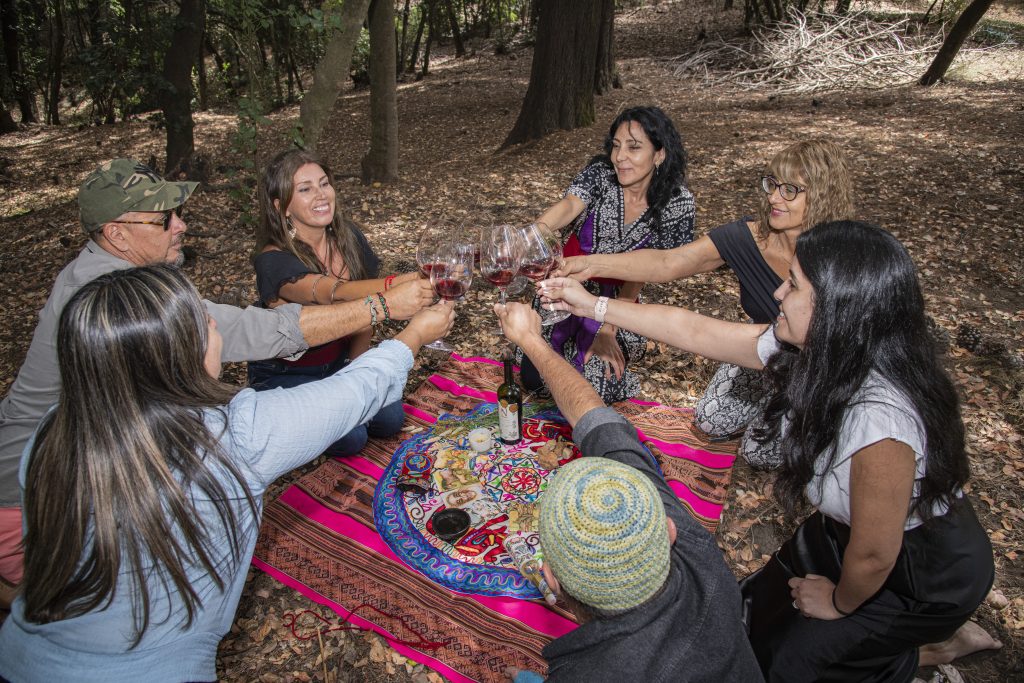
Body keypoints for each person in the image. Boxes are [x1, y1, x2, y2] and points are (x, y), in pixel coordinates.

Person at [538, 220, 999, 681]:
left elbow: (877, 553)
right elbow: (695, 330)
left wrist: (840, 602)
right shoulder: (821, 350)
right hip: (844, 536)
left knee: (796, 666)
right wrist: (592, 304)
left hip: (917, 573)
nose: (778, 293)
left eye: (794, 285)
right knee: (755, 615)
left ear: (839, 310)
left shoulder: (882, 423)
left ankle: (928, 654)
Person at [0, 158, 433, 608]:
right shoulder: (116, 300)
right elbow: (254, 332)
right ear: (117, 233)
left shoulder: (114, 278)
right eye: (164, 219)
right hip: (41, 499)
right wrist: (383, 308)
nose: (181, 226)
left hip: (86, 470)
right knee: (63, 612)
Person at [0, 264, 454, 681]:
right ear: (171, 354)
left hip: (19, 656)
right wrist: (412, 336)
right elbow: (356, 391)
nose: (214, 322)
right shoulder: (232, 437)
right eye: (200, 319)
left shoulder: (51, 433)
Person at [494, 301, 763, 682]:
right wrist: (532, 342)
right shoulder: (698, 554)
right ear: (668, 529)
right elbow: (594, 416)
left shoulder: (589, 673)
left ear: (550, 579)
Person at [555, 139, 853, 469]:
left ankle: (798, 410)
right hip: (763, 349)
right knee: (710, 421)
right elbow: (669, 263)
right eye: (772, 184)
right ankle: (772, 393)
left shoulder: (840, 259)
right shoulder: (747, 238)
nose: (773, 197)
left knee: (758, 452)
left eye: (790, 190)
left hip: (823, 370)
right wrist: (592, 264)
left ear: (823, 194)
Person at [248, 149, 421, 456]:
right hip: (289, 374)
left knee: (390, 421)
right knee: (352, 439)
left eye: (324, 183)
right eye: (305, 189)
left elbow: (365, 315)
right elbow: (334, 292)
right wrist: (395, 287)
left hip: (338, 364)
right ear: (281, 207)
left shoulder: (349, 237)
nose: (321, 194)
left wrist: (356, 371)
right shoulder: (271, 260)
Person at [518, 105, 695, 404]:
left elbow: (650, 269)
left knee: (592, 389)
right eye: (615, 146)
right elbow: (570, 205)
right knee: (535, 379)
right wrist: (532, 234)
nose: (620, 157)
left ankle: (617, 374)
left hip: (619, 302)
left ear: (659, 154)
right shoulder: (601, 175)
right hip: (563, 290)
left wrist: (608, 327)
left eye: (634, 147)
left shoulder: (677, 203)